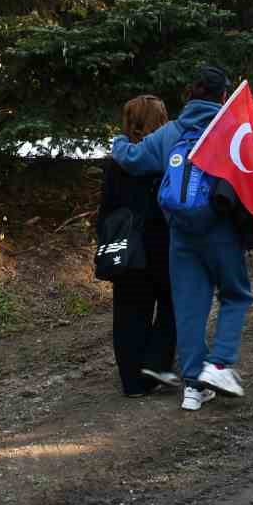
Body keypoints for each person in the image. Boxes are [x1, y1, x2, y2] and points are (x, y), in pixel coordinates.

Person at [109, 66, 251, 412]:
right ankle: (217, 366)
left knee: (189, 307)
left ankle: (192, 388)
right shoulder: (232, 129)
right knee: (235, 294)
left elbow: (133, 159)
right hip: (221, 231)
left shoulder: (171, 132)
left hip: (181, 233)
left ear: (189, 95)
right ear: (222, 97)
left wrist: (117, 141)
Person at [98, 96, 177, 397]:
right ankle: (156, 362)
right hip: (163, 242)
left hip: (126, 244)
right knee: (174, 304)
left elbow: (107, 206)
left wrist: (104, 239)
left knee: (129, 311)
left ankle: (132, 381)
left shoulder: (116, 160)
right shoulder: (170, 156)